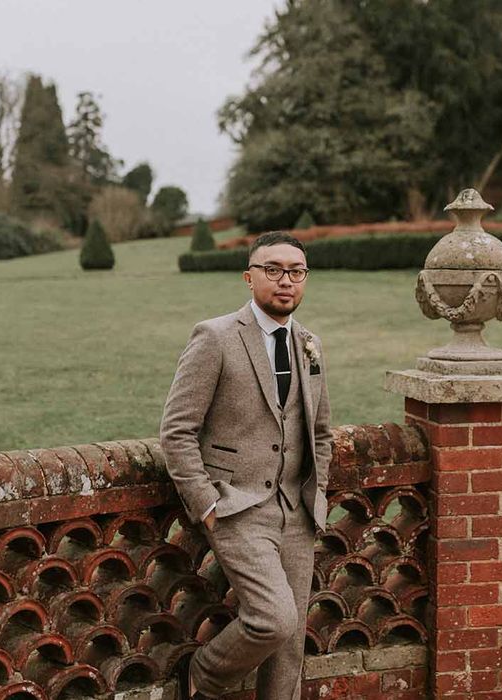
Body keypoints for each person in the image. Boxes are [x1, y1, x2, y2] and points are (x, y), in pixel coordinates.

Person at [160, 230, 333, 699]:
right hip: (236, 506)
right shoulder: (215, 337)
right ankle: (205, 674)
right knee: (273, 620)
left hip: (296, 510)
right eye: (272, 270)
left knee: (291, 643)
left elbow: (320, 432)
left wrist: (317, 495)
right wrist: (206, 504)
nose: (285, 281)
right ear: (249, 276)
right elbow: (176, 430)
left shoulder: (310, 344)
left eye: (296, 272)